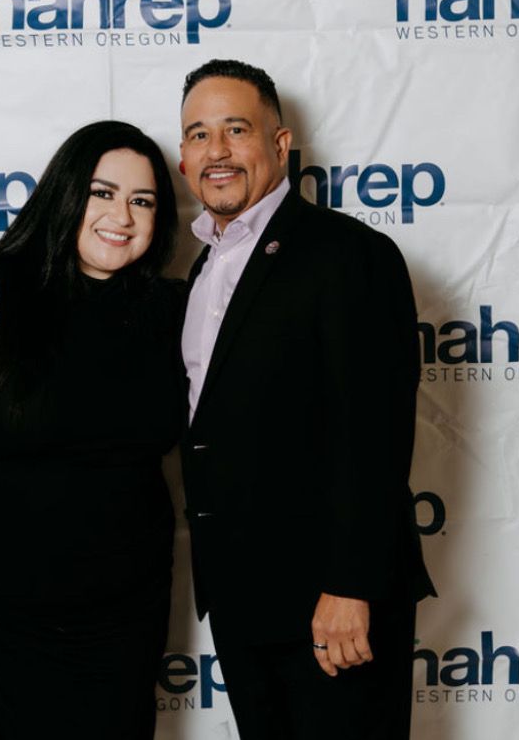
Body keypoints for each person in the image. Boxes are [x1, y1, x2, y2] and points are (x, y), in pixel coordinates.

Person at [177, 59, 436, 739]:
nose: (218, 151)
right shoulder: (202, 268)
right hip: (242, 598)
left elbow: (374, 430)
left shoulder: (347, 253)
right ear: (183, 160)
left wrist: (350, 585)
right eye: (199, 135)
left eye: (237, 129)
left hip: (330, 601)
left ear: (280, 145)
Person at [0, 121, 185, 739]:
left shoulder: (169, 309)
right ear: (65, 194)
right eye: (102, 193)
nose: (122, 215)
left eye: (142, 201)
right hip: (14, 597)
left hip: (129, 599)